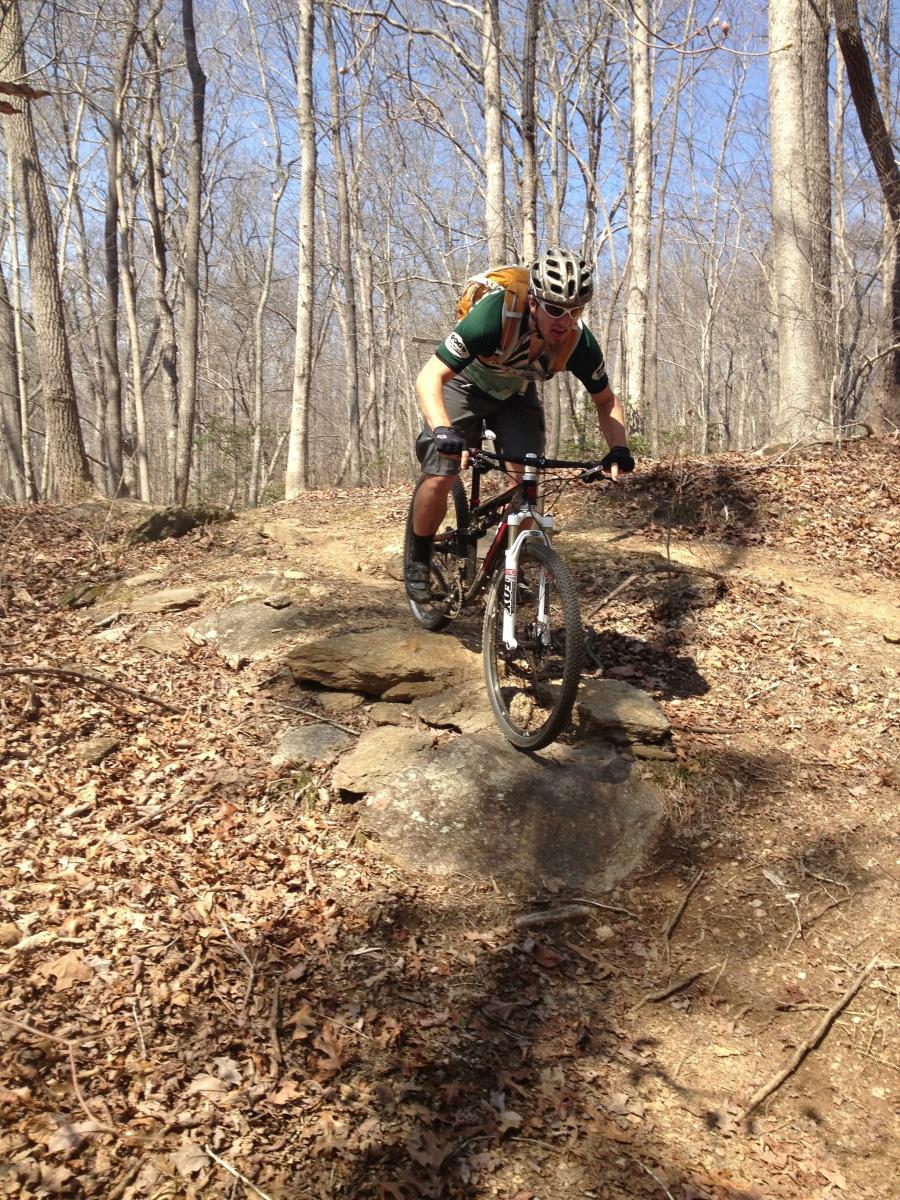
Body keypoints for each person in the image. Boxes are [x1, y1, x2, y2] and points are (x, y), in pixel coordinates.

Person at [406, 246, 635, 602]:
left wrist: (618, 448)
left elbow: (606, 401)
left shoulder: (579, 343)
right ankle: (418, 557)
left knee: (528, 481)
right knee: (441, 473)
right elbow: (429, 377)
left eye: (575, 311)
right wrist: (442, 429)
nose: (564, 321)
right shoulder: (493, 317)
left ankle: (513, 565)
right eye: (555, 310)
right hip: (464, 385)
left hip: (515, 393)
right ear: (533, 303)